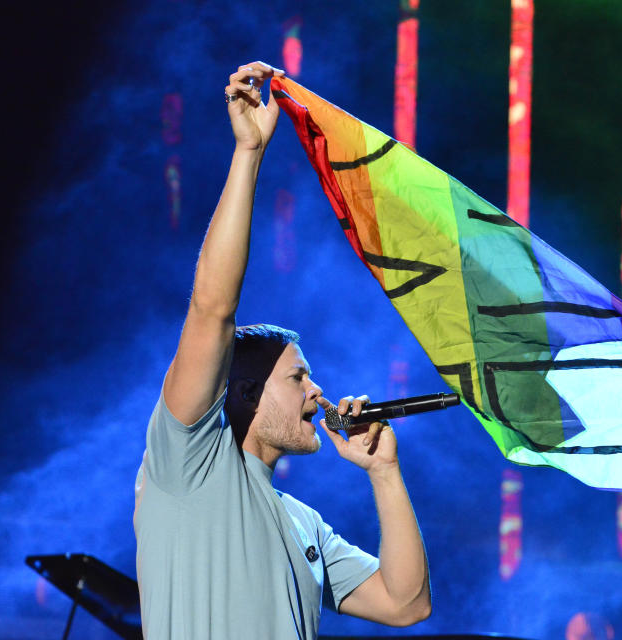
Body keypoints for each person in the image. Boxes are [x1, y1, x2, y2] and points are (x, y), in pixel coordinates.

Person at [133, 61, 432, 639]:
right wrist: (249, 154)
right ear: (244, 391)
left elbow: (406, 604)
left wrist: (385, 473)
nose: (317, 392)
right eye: (299, 378)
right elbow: (211, 310)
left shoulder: (304, 523)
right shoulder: (188, 462)